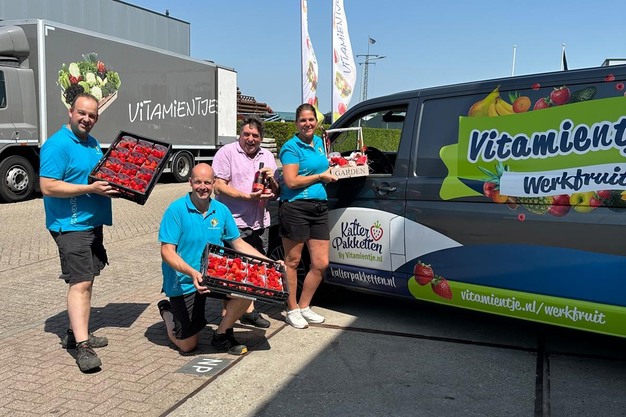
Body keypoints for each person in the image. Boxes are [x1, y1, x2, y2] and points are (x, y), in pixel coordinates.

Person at [157, 163, 274, 355]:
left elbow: (238, 243)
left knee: (250, 289)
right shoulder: (176, 210)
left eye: (207, 183)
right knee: (188, 346)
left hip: (214, 276)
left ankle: (221, 335)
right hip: (185, 281)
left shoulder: (221, 210)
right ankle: (167, 312)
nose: (202, 187)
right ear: (190, 182)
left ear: (213, 184)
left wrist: (270, 264)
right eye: (198, 182)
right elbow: (167, 251)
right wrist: (192, 273)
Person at [40, 93, 119, 372]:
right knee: (81, 282)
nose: (87, 119)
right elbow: (48, 186)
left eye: (92, 115)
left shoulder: (92, 143)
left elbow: (97, 178)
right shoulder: (57, 145)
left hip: (91, 223)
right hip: (70, 225)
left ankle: (76, 332)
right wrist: (89, 189)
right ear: (70, 112)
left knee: (88, 278)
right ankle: (82, 348)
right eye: (82, 113)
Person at [212, 116, 279, 329]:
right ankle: (227, 319)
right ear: (240, 135)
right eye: (246, 134)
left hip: (259, 223)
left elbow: (275, 191)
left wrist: (272, 182)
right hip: (233, 222)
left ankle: (248, 310)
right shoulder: (227, 152)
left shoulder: (267, 156)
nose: (250, 139)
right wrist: (247, 197)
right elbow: (218, 186)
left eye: (255, 135)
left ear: (261, 138)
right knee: (231, 273)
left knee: (254, 269)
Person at [278, 103, 337, 329]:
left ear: (316, 121)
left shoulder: (321, 143)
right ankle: (291, 309)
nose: (307, 124)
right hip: (296, 207)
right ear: (296, 123)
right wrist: (320, 176)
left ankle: (304, 306)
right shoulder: (290, 147)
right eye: (302, 120)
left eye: (311, 119)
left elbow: (328, 167)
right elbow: (291, 181)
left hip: (319, 207)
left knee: (321, 263)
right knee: (292, 261)